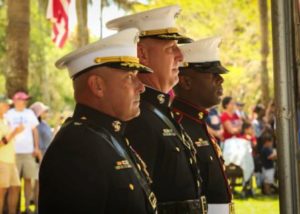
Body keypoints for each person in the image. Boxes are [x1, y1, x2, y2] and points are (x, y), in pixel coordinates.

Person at [39, 28, 157, 214]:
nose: (141, 87)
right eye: (130, 77)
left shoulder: (106, 136)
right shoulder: (78, 147)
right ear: (97, 86)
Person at [106, 5, 206, 213]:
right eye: (171, 48)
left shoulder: (158, 111)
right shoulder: (138, 115)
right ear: (142, 54)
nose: (180, 56)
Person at [172, 36, 234, 214]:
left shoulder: (197, 123)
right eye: (213, 74)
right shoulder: (177, 126)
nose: (220, 80)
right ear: (185, 82)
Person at [5, 91, 40, 214]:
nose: (25, 102)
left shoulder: (29, 113)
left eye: (26, 100)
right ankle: (14, 211)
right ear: (16, 101)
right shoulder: (8, 114)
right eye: (22, 100)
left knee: (28, 180)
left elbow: (35, 131)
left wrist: (36, 147)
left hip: (28, 153)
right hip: (12, 154)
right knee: (14, 185)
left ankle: (26, 209)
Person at [0, 96, 24, 214]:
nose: (7, 107)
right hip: (2, 161)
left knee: (16, 187)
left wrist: (16, 132)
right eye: (5, 104)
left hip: (11, 161)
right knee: (1, 191)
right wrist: (14, 132)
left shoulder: (5, 120)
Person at [29, 101, 52, 213]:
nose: (46, 112)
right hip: (40, 157)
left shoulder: (44, 124)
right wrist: (41, 158)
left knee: (41, 184)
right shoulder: (36, 126)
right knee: (39, 184)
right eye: (44, 111)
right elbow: (38, 144)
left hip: (47, 156)